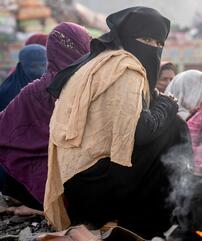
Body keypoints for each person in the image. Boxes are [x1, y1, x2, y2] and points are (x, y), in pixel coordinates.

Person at [44, 7, 190, 239]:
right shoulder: (126, 69)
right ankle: (160, 216)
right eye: (146, 39)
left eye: (159, 43)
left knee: (168, 124)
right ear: (128, 37)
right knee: (175, 128)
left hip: (76, 184)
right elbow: (142, 132)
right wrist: (168, 105)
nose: (153, 48)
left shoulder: (101, 62)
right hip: (93, 188)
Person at [0, 22, 91, 214]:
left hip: (32, 184)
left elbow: (4, 127)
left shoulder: (34, 89)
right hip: (87, 187)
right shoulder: (92, 87)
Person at [0, 44, 47, 111]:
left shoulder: (52, 87)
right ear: (21, 66)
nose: (39, 71)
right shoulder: (7, 93)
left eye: (43, 65)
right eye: (33, 66)